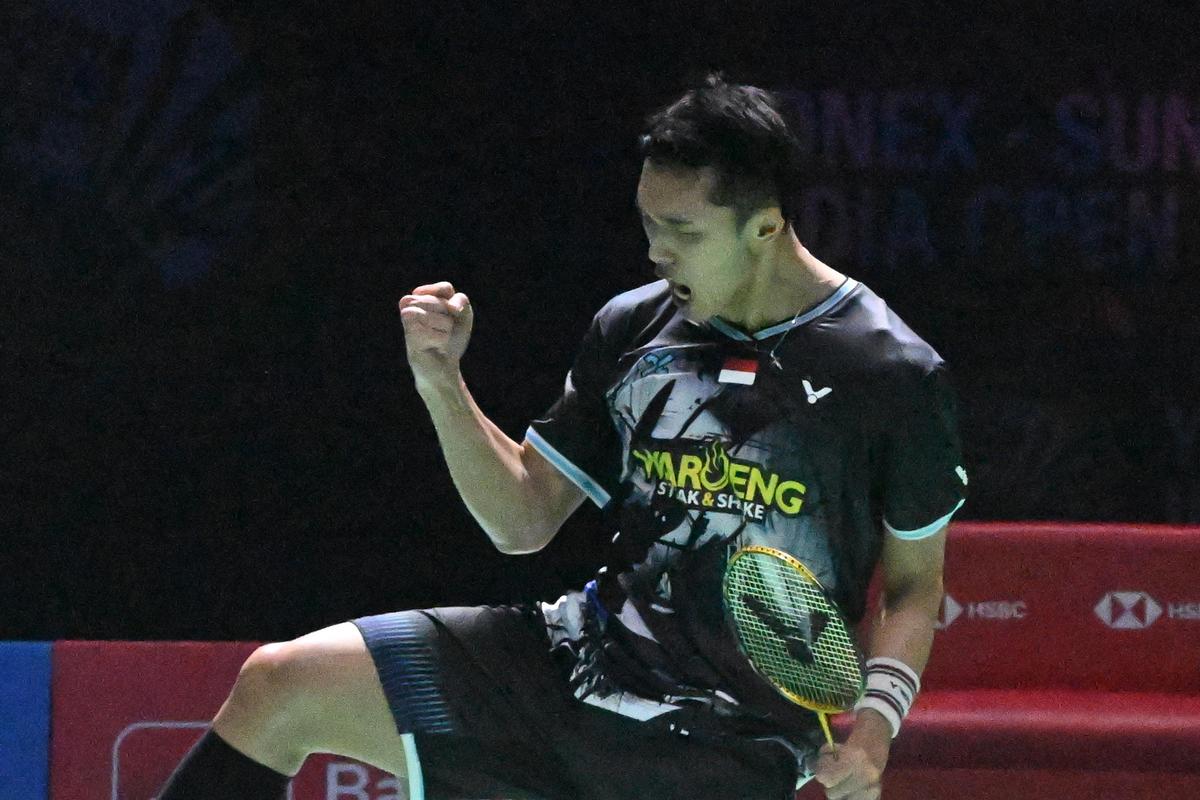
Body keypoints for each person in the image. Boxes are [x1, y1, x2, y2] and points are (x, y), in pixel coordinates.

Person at [159, 72, 967, 800]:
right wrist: (441, 381)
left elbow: (912, 587)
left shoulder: (889, 375)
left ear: (764, 228)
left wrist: (874, 731)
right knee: (279, 685)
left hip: (731, 740)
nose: (655, 251)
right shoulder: (635, 328)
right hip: (575, 665)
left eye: (681, 231)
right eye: (647, 224)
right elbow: (520, 522)